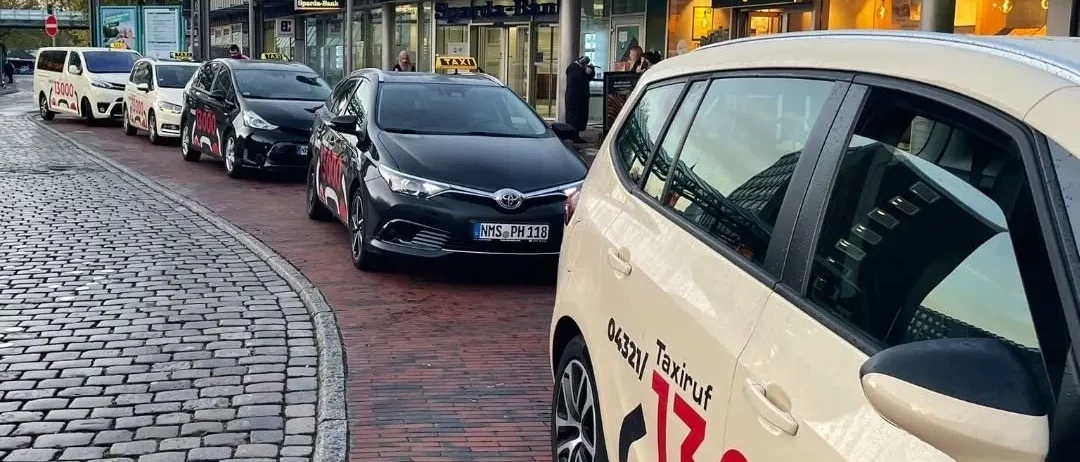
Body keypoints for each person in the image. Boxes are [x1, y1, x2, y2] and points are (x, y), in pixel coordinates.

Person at [564, 55, 594, 139]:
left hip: (578, 98)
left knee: (578, 116)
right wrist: (587, 72)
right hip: (575, 98)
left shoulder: (576, 68)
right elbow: (583, 78)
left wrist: (590, 71)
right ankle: (573, 136)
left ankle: (575, 135)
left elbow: (587, 77)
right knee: (574, 117)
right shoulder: (574, 68)